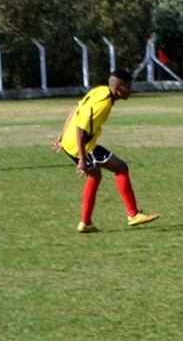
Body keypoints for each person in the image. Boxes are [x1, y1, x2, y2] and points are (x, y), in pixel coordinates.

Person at [54, 69, 160, 233]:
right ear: (118, 89)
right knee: (121, 168)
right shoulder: (102, 104)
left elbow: (76, 107)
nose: (130, 91)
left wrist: (62, 134)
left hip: (71, 142)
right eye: (128, 87)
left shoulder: (100, 90)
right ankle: (133, 214)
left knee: (95, 176)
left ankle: (86, 222)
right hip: (82, 145)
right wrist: (82, 159)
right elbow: (81, 130)